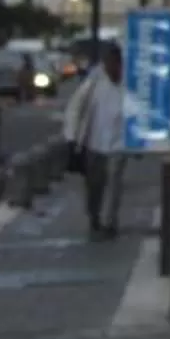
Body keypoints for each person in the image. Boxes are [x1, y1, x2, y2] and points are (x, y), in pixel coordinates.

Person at [62, 40, 130, 239]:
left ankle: (109, 222)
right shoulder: (95, 81)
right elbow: (76, 107)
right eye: (108, 63)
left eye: (115, 64)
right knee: (95, 184)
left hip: (119, 143)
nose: (111, 68)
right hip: (95, 142)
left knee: (114, 181)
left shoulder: (129, 82)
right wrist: (72, 137)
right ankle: (94, 217)